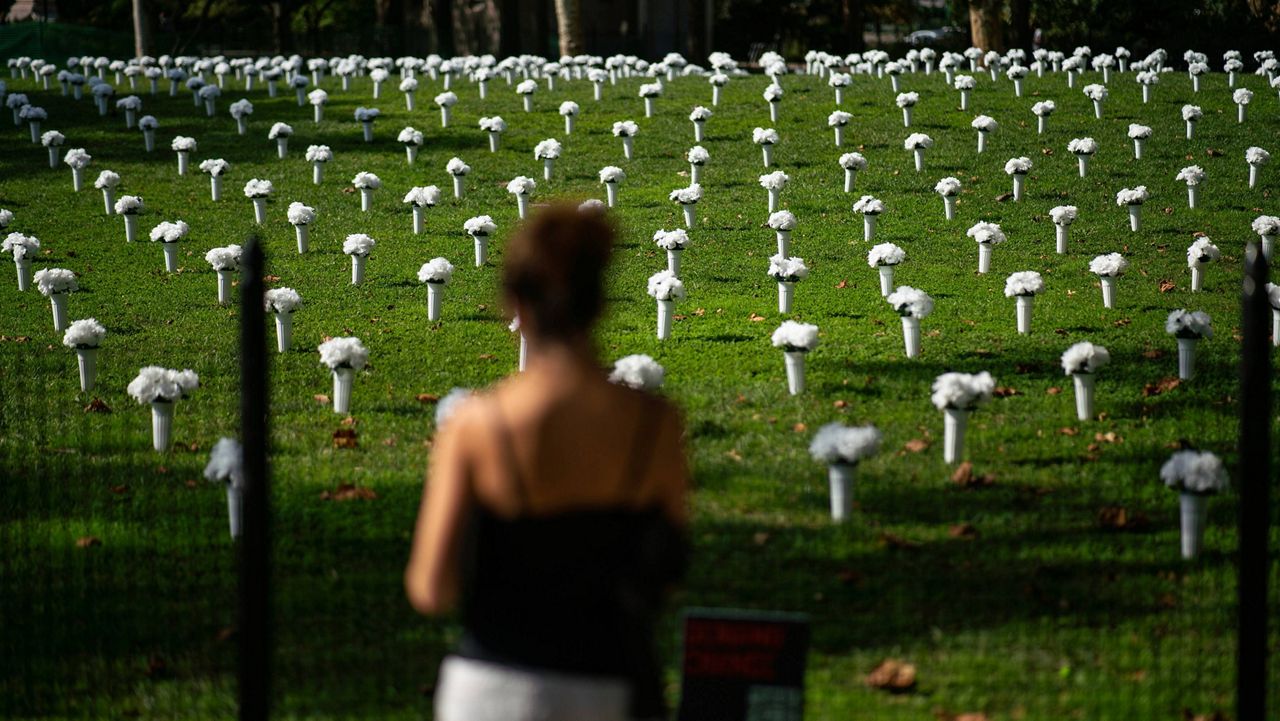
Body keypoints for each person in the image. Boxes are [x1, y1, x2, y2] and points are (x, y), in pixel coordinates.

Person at [405, 203, 691, 721]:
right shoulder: (656, 425)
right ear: (599, 303)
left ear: (515, 303)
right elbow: (668, 570)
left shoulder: (477, 425)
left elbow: (431, 587)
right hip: (606, 684)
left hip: (492, 687)